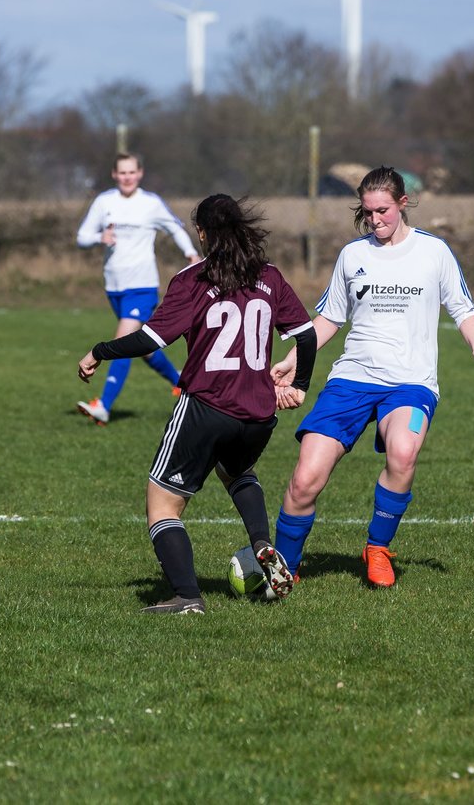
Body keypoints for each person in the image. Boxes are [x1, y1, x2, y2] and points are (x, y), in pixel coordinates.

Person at [78, 194, 317, 615]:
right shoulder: (270, 276)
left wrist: (99, 350)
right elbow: (307, 335)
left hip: (207, 406)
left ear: (203, 233)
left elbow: (151, 339)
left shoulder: (193, 278)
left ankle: (187, 597)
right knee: (237, 469)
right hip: (258, 414)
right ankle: (262, 543)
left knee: (162, 505)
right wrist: (298, 384)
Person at [269, 166, 474, 589]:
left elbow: (463, 308)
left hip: (411, 382)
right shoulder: (352, 255)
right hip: (352, 379)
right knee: (305, 479)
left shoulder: (434, 252)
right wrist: (292, 360)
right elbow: (329, 319)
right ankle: (285, 567)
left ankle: (377, 548)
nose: (375, 221)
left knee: (403, 454)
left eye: (383, 211)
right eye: (368, 212)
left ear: (403, 204)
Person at [75, 152, 201, 425]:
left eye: (132, 172)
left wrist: (191, 254)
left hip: (142, 285)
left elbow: (175, 228)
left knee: (122, 341)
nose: (127, 177)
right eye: (122, 172)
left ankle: (103, 405)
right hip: (114, 286)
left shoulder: (150, 203)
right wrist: (100, 237)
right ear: (114, 174)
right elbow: (82, 237)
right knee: (143, 348)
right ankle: (180, 382)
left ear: (140, 174)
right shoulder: (104, 202)